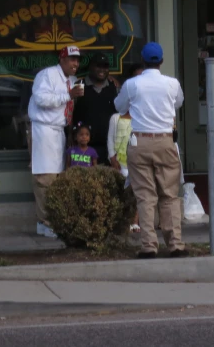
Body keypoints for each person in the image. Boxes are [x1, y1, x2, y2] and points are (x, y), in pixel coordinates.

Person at [114, 42, 186, 259]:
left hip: (140, 141)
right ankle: (175, 244)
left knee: (145, 196)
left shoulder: (132, 84)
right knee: (169, 195)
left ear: (143, 61)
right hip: (165, 140)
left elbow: (119, 107)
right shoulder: (172, 84)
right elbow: (179, 103)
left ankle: (149, 246)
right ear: (161, 61)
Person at [28, 45, 84, 239]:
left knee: (57, 178)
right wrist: (68, 95)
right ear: (61, 59)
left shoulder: (72, 81)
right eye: (71, 59)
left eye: (77, 60)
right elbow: (41, 99)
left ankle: (51, 220)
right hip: (43, 129)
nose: (75, 63)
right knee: (45, 177)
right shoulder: (48, 75)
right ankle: (44, 223)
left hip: (59, 131)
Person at [107, 62, 145, 233]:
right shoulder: (116, 118)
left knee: (136, 194)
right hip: (120, 163)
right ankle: (121, 222)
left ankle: (135, 222)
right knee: (121, 193)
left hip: (135, 163)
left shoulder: (141, 118)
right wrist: (111, 156)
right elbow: (111, 139)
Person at [71, 52, 120, 164]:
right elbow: (70, 112)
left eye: (105, 67)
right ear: (91, 67)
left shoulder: (114, 87)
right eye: (98, 66)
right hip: (84, 147)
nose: (102, 70)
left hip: (109, 148)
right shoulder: (79, 85)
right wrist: (70, 135)